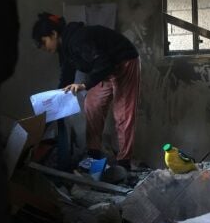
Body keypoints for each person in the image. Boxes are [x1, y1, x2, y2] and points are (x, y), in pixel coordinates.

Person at [32, 12, 141, 171]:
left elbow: (103, 62)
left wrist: (83, 84)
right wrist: (48, 112)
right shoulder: (64, 50)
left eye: (43, 42)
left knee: (122, 113)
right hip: (105, 69)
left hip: (123, 61)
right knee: (92, 104)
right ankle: (93, 155)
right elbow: (66, 79)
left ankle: (124, 164)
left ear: (54, 34)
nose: (43, 48)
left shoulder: (78, 39)